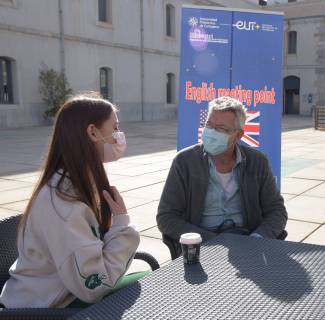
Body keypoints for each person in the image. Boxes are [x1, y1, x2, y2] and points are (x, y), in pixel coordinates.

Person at [0, 94, 141, 308]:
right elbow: (93, 285)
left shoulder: (74, 181)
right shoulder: (63, 202)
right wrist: (123, 226)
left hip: (59, 294)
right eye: (114, 128)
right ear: (92, 132)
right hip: (47, 308)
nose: (118, 136)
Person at [157, 96, 287, 258]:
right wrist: (211, 241)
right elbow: (166, 217)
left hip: (247, 244)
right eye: (209, 125)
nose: (211, 133)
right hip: (203, 246)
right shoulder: (185, 162)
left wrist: (257, 239)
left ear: (238, 135)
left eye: (221, 129)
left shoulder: (257, 162)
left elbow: (276, 211)